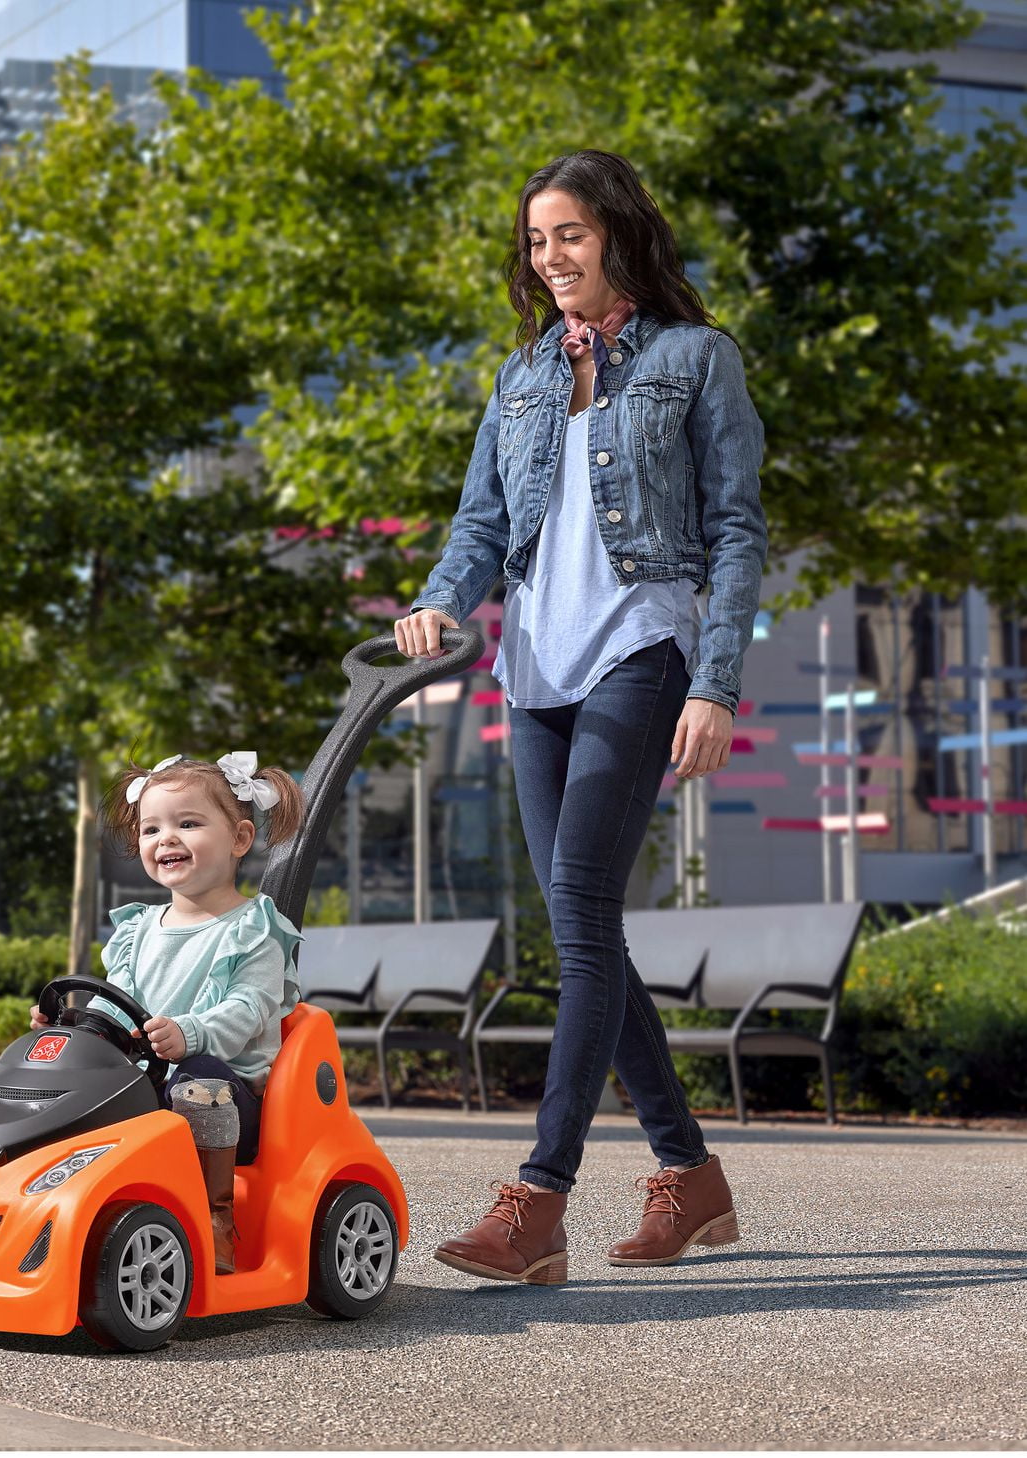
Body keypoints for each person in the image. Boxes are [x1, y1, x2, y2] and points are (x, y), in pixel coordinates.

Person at [394, 149, 766, 1283]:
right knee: (584, 931)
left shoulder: (697, 360)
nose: (551, 258)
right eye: (537, 241)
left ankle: (539, 1197)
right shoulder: (519, 379)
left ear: (615, 233)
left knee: (583, 908)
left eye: (571, 235)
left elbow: (739, 529)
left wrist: (715, 680)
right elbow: (478, 524)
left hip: (641, 653)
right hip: (535, 667)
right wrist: (439, 601)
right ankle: (691, 1179)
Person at [30, 751, 304, 1274]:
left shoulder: (254, 929)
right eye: (152, 828)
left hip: (232, 1103)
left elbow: (249, 1009)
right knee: (68, 1079)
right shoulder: (137, 932)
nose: (166, 839)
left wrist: (191, 1033)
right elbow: (114, 1008)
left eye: (188, 823)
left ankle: (215, 1220)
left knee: (198, 1082)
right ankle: (47, 1204)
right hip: (146, 1089)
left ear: (240, 839)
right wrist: (74, 1026)